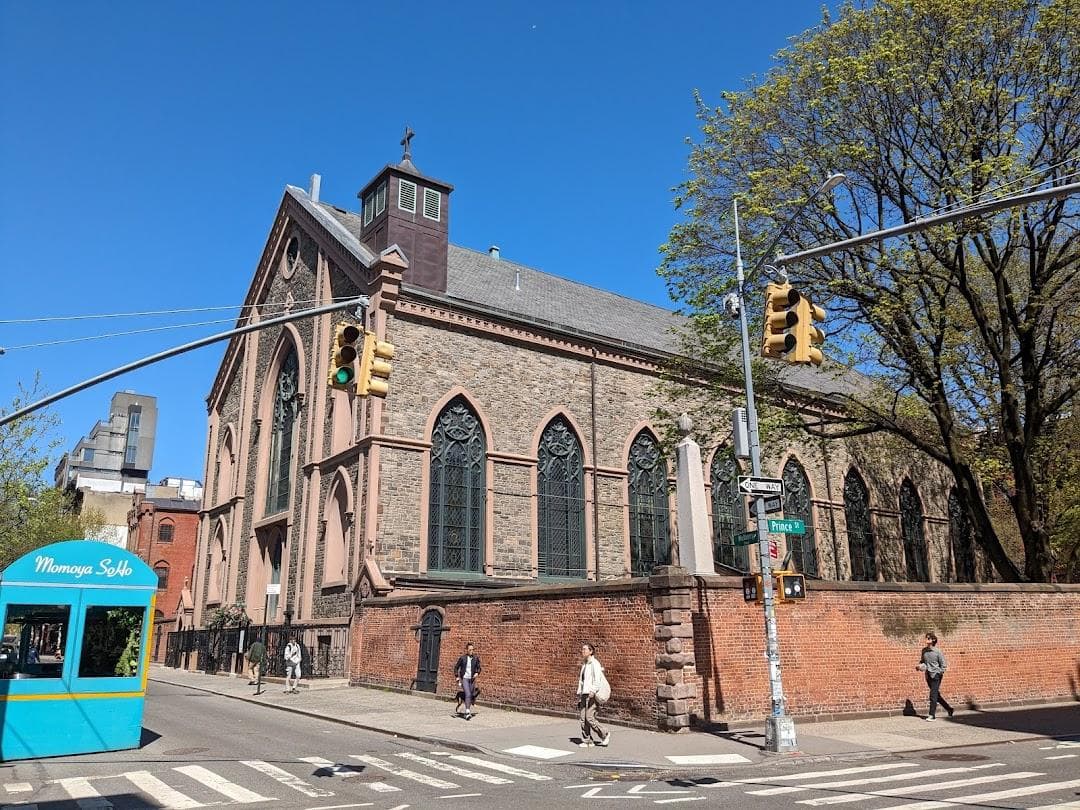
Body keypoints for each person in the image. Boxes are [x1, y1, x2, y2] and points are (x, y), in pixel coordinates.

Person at [576, 642, 610, 747]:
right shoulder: (585, 664)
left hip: (591, 694)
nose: (583, 651)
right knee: (583, 719)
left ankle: (605, 733)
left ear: (591, 651)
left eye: (585, 649)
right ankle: (587, 741)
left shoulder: (595, 663)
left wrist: (593, 691)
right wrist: (580, 692)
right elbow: (582, 681)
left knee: (589, 718)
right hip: (584, 694)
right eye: (582, 649)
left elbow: (597, 679)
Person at [916, 631, 954, 721]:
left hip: (936, 675)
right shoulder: (924, 650)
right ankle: (949, 709)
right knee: (936, 695)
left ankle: (932, 715)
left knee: (932, 695)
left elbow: (943, 665)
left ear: (933, 640)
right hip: (928, 675)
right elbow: (922, 661)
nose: (926, 639)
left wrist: (939, 672)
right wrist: (919, 666)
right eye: (926, 638)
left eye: (928, 638)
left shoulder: (938, 652)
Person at [453, 642, 482, 720]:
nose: (471, 651)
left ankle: (467, 710)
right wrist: (457, 677)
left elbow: (479, 668)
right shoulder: (463, 658)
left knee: (471, 695)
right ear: (467, 650)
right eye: (470, 650)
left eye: (472, 650)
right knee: (468, 693)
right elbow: (456, 668)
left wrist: (477, 673)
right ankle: (467, 712)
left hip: (472, 679)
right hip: (465, 678)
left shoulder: (476, 658)